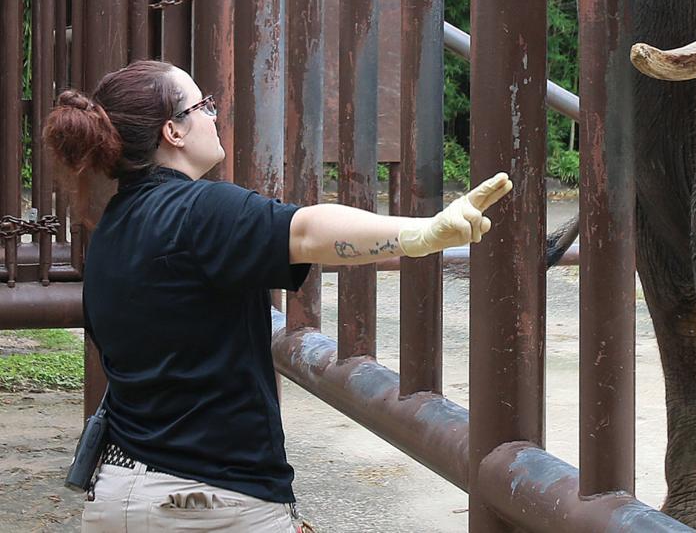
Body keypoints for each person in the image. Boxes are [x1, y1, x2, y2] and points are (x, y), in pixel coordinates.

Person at [42, 59, 512, 532]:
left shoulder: (110, 232)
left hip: (118, 496)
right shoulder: (201, 210)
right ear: (173, 132)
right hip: (209, 507)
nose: (214, 115)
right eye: (203, 105)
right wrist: (421, 234)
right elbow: (305, 229)